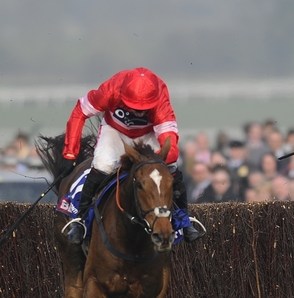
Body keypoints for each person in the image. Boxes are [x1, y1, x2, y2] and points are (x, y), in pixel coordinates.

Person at [59, 67, 204, 245]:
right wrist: (69, 153)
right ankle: (80, 221)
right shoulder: (110, 90)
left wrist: (152, 162)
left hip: (148, 134)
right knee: (102, 165)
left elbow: (171, 147)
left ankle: (184, 220)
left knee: (170, 167)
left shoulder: (161, 101)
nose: (139, 112)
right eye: (134, 108)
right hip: (114, 131)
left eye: (145, 109)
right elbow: (79, 112)